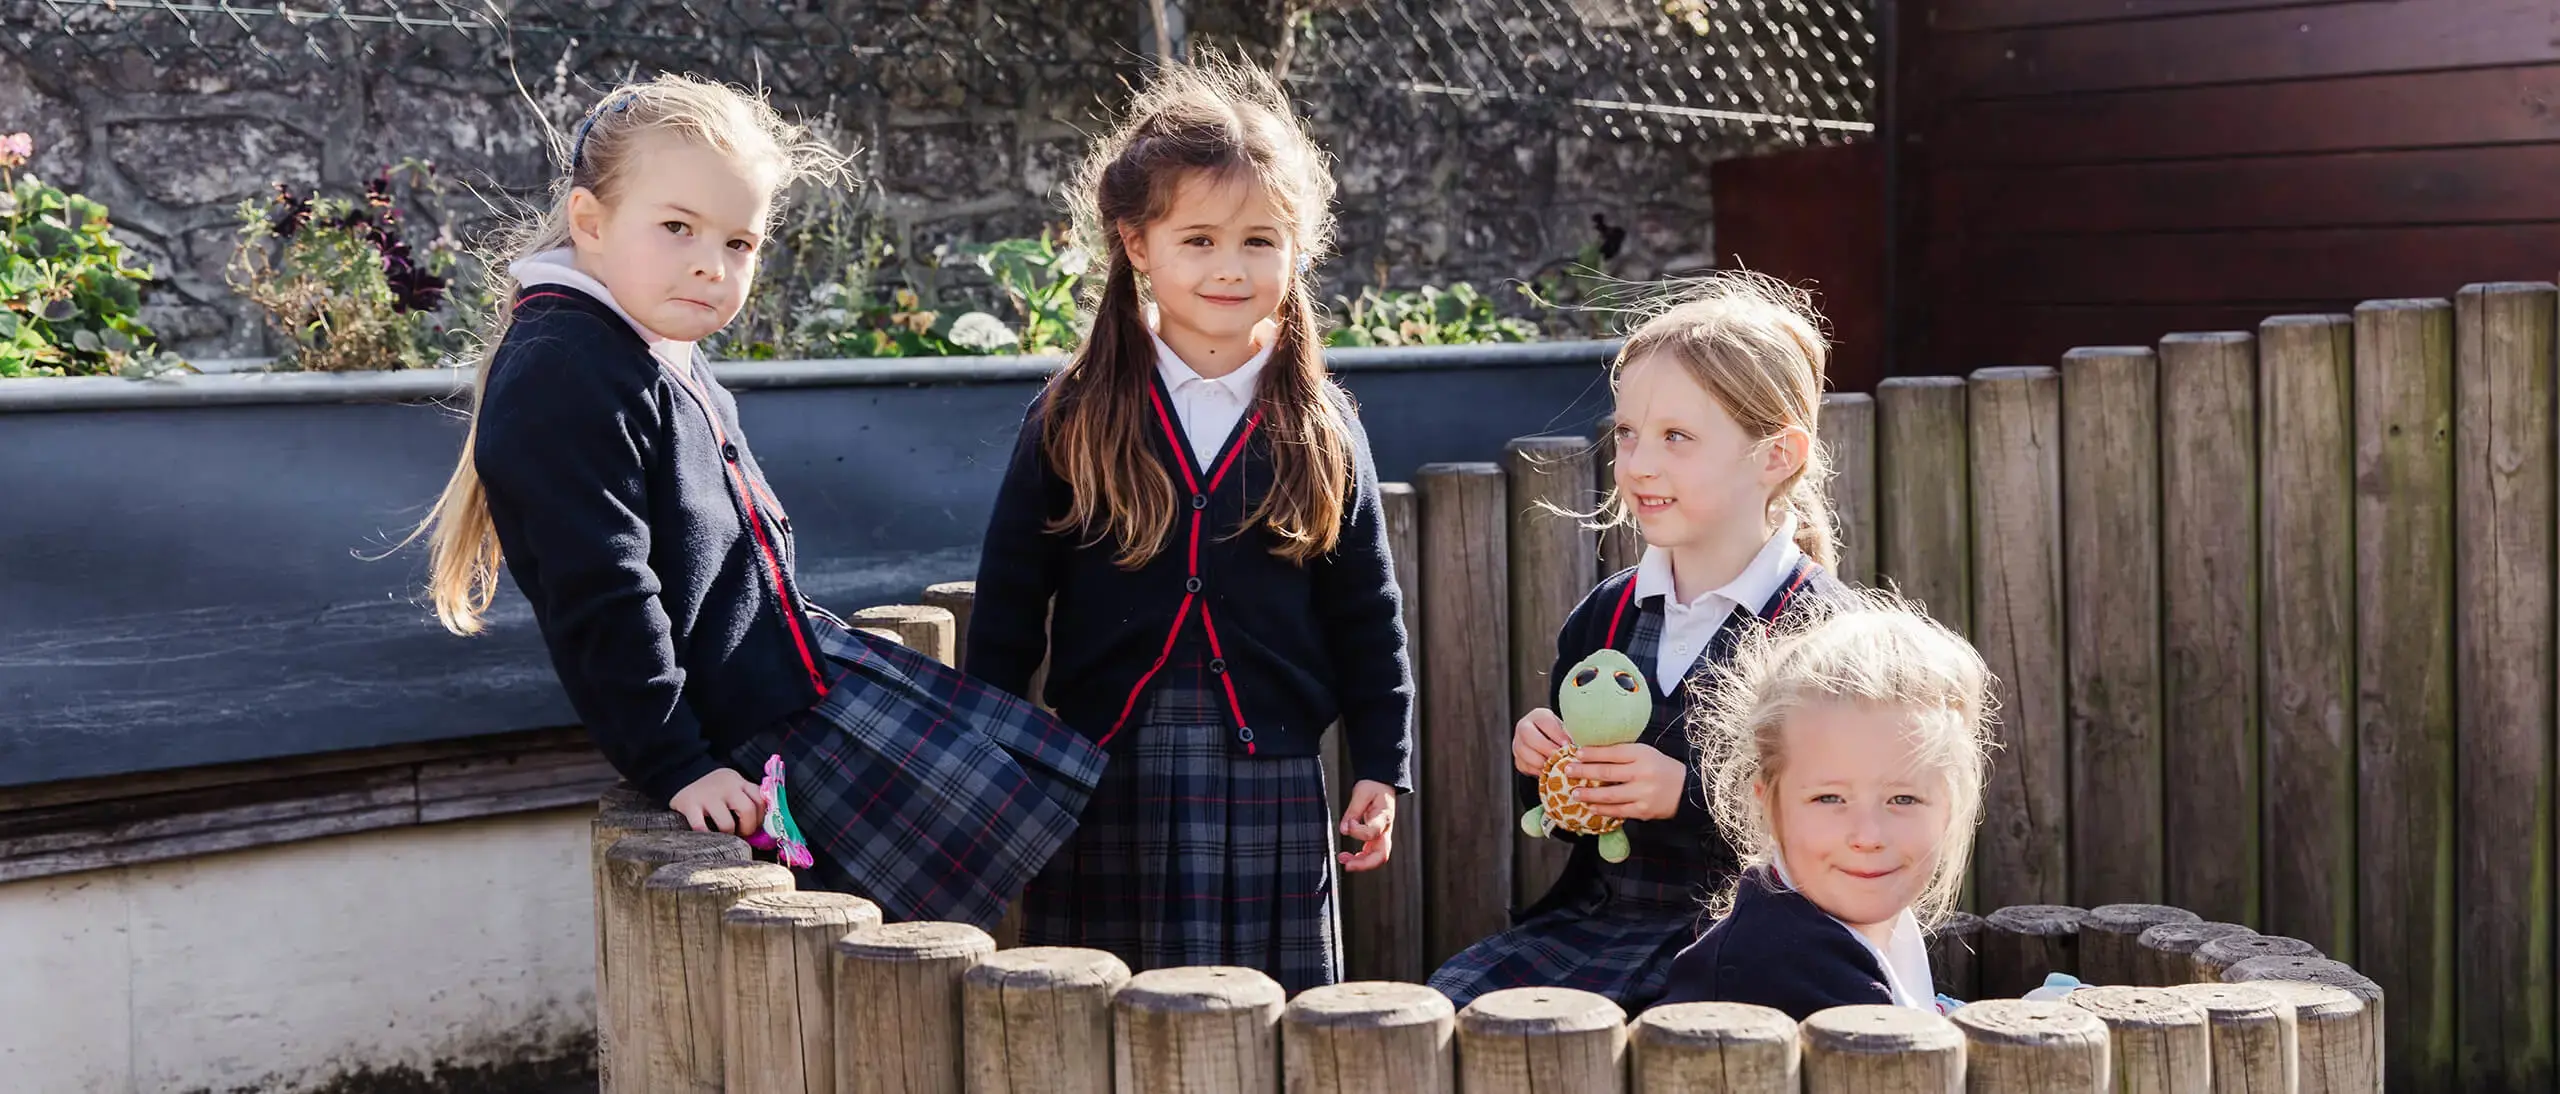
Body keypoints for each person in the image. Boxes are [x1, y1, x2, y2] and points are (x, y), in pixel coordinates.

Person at [411, 74, 1104, 929]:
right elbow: (603, 596)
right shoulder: (567, 367)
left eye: (740, 243)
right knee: (885, 942)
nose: (712, 263)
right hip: (739, 737)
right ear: (591, 222)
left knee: (1038, 816)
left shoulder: (646, 337)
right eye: (677, 228)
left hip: (787, 677)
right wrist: (677, 765)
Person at [967, 58, 1411, 994]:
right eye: (1199, 238)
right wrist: (994, 748)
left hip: (1269, 770)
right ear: (1137, 244)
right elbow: (1012, 599)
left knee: (1260, 1012)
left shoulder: (1323, 427)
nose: (1229, 267)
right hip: (1104, 764)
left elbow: (1368, 612)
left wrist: (1383, 761)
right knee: (1109, 1006)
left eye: (1259, 241)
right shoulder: (1075, 416)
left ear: (1297, 250)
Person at [1428, 273, 1847, 1011]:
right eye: (1627, 433)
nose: (1638, 464)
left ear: (1778, 455)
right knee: (1450, 1007)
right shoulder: (1607, 614)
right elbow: (1571, 826)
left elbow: (1844, 824)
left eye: (1677, 437)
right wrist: (1547, 767)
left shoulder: (1821, 633)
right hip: (1600, 925)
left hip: (1749, 942)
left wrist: (1682, 794)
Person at [1658, 589, 1995, 1019]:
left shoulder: (1861, 927)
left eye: (1903, 798)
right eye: (1829, 798)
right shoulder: (1782, 974)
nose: (1868, 836)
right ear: (1769, 803)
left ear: (1950, 806)